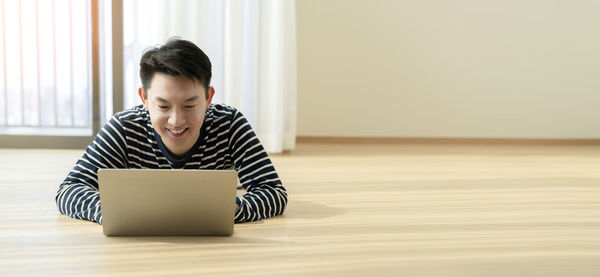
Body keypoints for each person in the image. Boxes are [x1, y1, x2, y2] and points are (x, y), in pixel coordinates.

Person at [55, 38, 287, 224]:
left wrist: (231, 210)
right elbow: (69, 190)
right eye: (164, 106)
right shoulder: (125, 127)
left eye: (189, 106)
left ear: (208, 98)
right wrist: (115, 211)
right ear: (144, 98)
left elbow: (274, 193)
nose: (176, 121)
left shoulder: (229, 124)